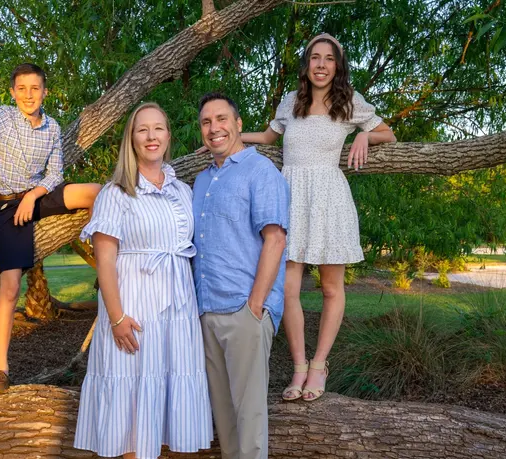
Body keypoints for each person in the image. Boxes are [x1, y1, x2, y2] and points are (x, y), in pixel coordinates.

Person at [240, 33, 396, 401]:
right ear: (307, 64)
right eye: (315, 57)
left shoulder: (349, 102)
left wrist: (362, 136)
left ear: (338, 66)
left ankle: (319, 365)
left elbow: (387, 133)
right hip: (291, 196)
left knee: (329, 288)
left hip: (329, 198)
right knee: (289, 288)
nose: (322, 64)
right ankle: (298, 365)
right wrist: (227, 139)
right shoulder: (291, 102)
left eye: (329, 58)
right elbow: (267, 137)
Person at [0, 63, 100, 392]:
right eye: (22, 89)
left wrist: (35, 196)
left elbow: (55, 173)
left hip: (38, 195)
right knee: (10, 289)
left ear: (45, 92)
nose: (29, 94)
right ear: (13, 93)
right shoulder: (3, 117)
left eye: (35, 88)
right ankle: (1, 368)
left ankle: (100, 251)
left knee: (98, 191)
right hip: (7, 207)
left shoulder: (52, 128)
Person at [74, 103, 213, 459]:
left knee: (166, 397)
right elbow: (105, 261)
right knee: (131, 403)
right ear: (131, 139)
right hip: (133, 307)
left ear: (168, 136)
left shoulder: (182, 190)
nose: (151, 137)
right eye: (142, 130)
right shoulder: (115, 193)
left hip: (178, 306)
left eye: (158, 129)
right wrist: (117, 318)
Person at [194, 92, 290, 459]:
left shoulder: (261, 172)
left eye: (221, 119)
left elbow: (275, 239)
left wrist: (255, 307)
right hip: (207, 311)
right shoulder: (202, 181)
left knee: (249, 421)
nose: (214, 127)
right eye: (206, 122)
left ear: (238, 124)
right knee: (225, 419)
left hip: (244, 311)